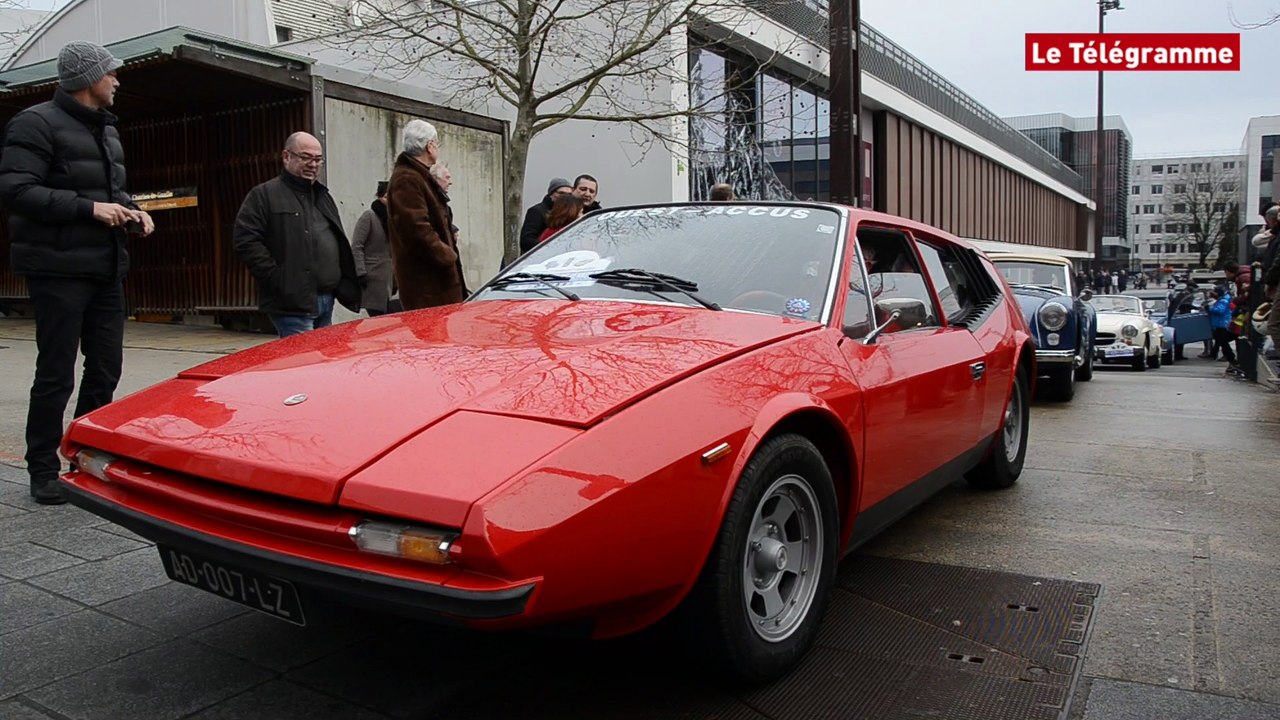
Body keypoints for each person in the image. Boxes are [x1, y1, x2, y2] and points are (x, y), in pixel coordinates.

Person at [0, 42, 154, 505]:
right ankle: (43, 468)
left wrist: (134, 210)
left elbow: (112, 191)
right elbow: (17, 190)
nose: (117, 80)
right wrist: (90, 209)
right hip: (57, 267)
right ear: (89, 79)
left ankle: (85, 457)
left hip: (106, 267)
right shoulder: (34, 123)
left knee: (106, 367)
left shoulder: (107, 131)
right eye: (111, 73)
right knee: (56, 371)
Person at [233, 132, 360, 337]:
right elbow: (245, 241)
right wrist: (279, 280)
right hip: (292, 303)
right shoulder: (264, 195)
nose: (313, 164)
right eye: (306, 157)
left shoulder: (322, 196)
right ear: (286, 157)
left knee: (320, 363)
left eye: (318, 159)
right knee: (304, 364)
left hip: (326, 299)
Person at [387, 119, 467, 310]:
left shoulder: (418, 176)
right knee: (434, 336)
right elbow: (416, 228)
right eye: (436, 143)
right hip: (427, 286)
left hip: (435, 283)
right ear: (429, 146)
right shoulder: (407, 179)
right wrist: (447, 255)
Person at [351, 181, 393, 316]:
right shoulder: (369, 216)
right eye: (387, 197)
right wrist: (361, 272)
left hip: (390, 281)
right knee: (378, 319)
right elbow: (357, 245)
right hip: (373, 278)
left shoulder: (394, 219)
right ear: (379, 197)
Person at [519, 177, 573, 253]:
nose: (565, 197)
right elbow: (527, 240)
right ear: (551, 194)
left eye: (569, 195)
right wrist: (550, 248)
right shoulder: (536, 211)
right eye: (561, 193)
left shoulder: (569, 213)